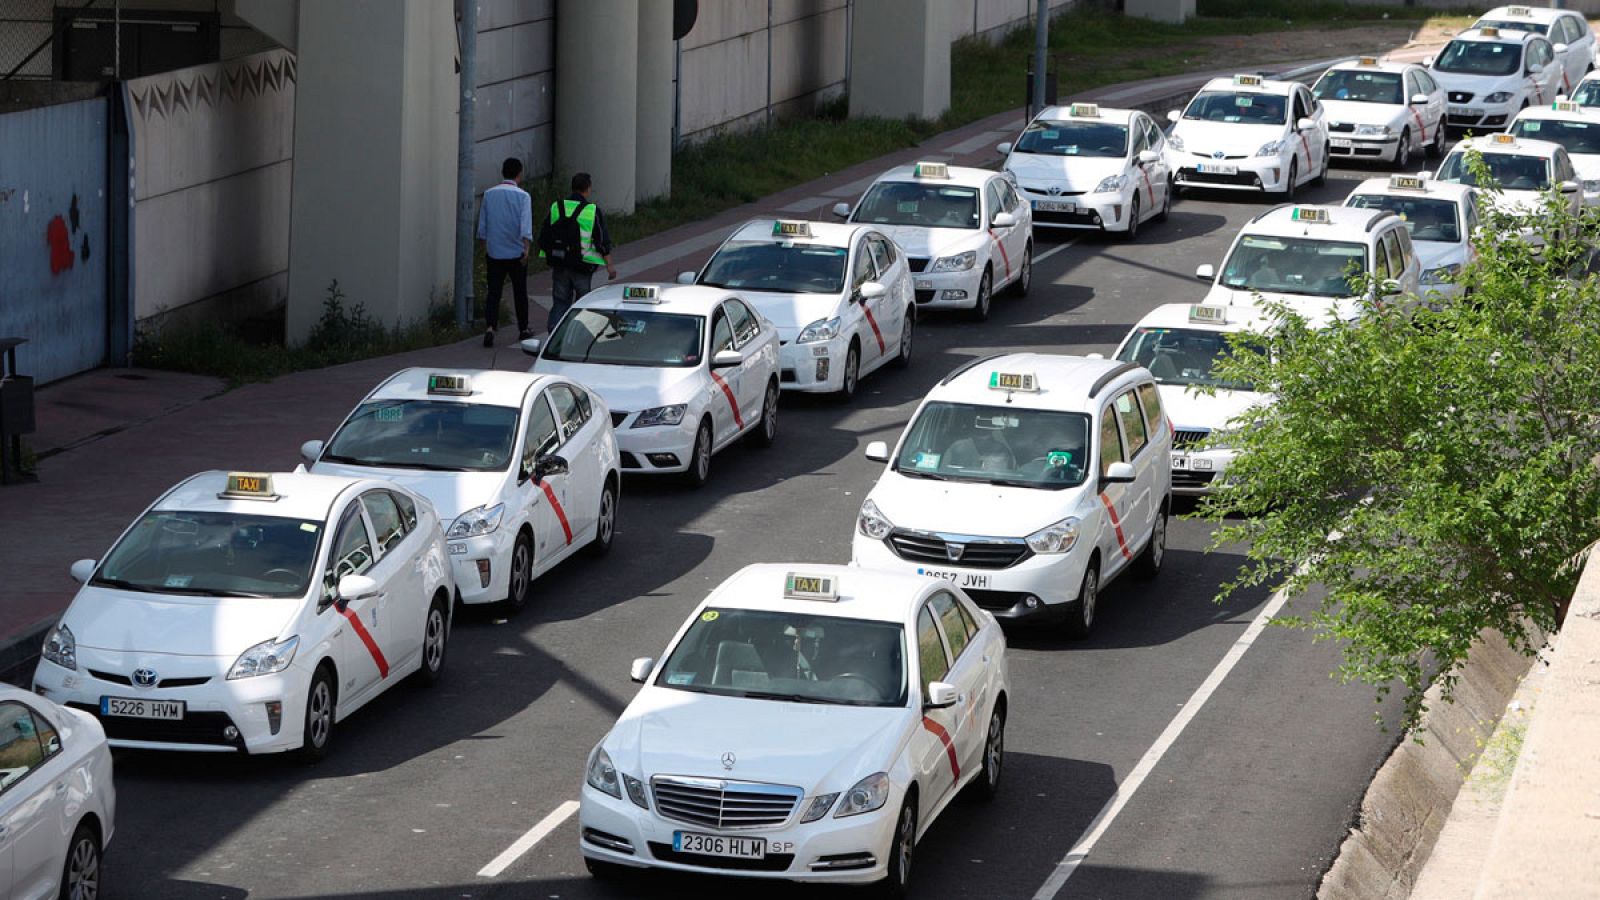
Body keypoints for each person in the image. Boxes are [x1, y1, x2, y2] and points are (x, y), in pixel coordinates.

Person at [540, 172, 617, 333]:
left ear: (572, 187)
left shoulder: (557, 206)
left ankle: (554, 332)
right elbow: (601, 240)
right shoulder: (592, 210)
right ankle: (579, 335)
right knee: (583, 303)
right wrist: (610, 265)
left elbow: (545, 233)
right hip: (582, 265)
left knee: (560, 301)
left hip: (559, 262)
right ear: (588, 189)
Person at [477, 157, 534, 347]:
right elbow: (525, 226)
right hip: (516, 252)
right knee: (520, 291)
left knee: (494, 292)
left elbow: (483, 226)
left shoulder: (489, 194)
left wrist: (486, 246)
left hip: (494, 252)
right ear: (519, 174)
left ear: (503, 173)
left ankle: (490, 327)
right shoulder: (523, 196)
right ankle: (523, 329)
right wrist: (526, 248)